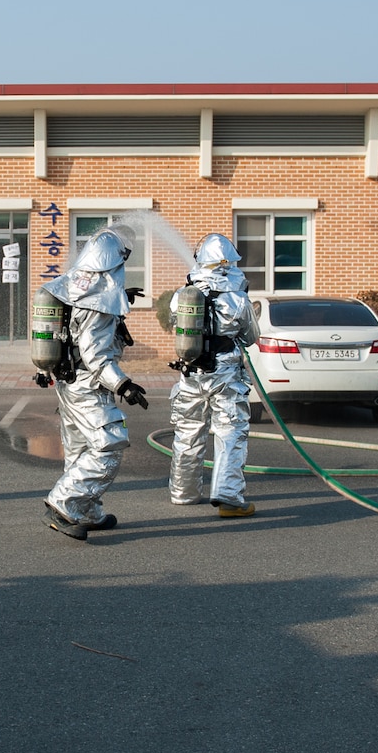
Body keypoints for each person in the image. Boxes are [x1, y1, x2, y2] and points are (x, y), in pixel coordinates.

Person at [35, 227, 149, 540]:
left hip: (67, 383)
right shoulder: (99, 300)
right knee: (108, 447)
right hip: (89, 385)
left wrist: (121, 300)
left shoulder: (73, 283)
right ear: (114, 262)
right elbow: (96, 355)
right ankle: (65, 503)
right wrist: (123, 385)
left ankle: (87, 511)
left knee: (80, 450)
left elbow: (70, 326)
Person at [166, 233, 260, 517]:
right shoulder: (238, 298)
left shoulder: (183, 294)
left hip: (191, 374)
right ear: (229, 264)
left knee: (187, 432)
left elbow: (175, 323)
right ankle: (228, 496)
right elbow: (252, 337)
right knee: (230, 431)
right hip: (226, 375)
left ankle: (183, 493)